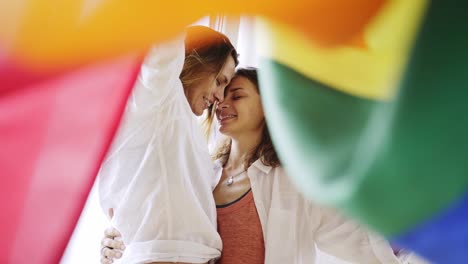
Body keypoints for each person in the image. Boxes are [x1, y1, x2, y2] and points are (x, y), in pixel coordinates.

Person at [103, 68, 424, 263]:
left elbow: (360, 242)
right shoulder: (202, 175)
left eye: (237, 95)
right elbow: (157, 223)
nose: (222, 102)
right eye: (221, 94)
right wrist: (114, 245)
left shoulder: (294, 181)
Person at [98, 25, 238, 264]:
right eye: (219, 81)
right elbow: (166, 41)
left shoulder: (183, 130)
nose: (220, 97)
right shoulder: (158, 96)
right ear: (195, 60)